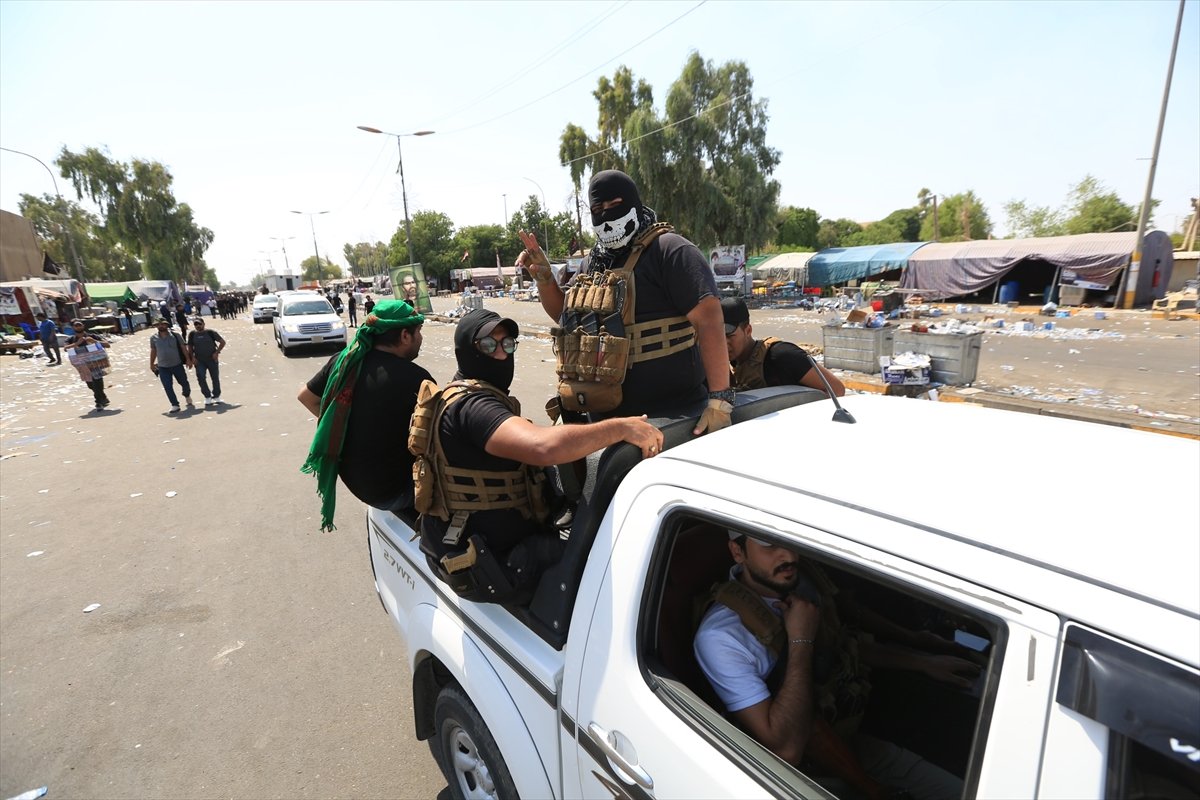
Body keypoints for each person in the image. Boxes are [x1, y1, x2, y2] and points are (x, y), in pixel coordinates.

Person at [694, 534, 972, 800]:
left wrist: (922, 660)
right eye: (770, 546)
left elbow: (843, 647)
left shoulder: (800, 582)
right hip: (811, 766)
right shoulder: (722, 637)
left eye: (791, 541)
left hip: (857, 716)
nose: (789, 555)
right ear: (737, 551)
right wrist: (801, 639)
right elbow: (785, 749)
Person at [416, 309, 663, 606]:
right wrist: (621, 428)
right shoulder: (473, 406)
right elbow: (543, 448)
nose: (501, 355)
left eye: (507, 344)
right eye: (488, 345)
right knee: (610, 574)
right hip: (490, 565)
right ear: (466, 351)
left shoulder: (464, 394)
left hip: (477, 544)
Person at [517, 169, 732, 435]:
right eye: (598, 208)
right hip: (606, 418)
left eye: (615, 205)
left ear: (634, 204)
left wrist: (720, 401)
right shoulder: (593, 262)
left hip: (675, 415)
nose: (606, 215)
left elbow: (710, 319)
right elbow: (566, 316)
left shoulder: (670, 250)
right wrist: (545, 278)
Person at [298, 299, 431, 531]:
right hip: (392, 493)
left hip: (355, 481)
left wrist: (343, 421)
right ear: (404, 336)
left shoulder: (344, 361)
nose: (420, 338)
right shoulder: (416, 378)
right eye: (418, 332)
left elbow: (306, 397)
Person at [721, 297, 846, 396]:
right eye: (718, 337)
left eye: (730, 336)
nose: (723, 343)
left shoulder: (781, 355)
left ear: (748, 331)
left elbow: (837, 390)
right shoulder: (732, 363)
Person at [63, 320, 112, 409]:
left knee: (97, 380)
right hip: (82, 365)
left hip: (96, 363)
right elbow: (65, 348)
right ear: (73, 328)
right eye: (76, 325)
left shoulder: (93, 336)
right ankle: (103, 398)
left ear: (83, 326)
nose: (78, 327)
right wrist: (77, 343)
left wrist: (94, 341)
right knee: (90, 384)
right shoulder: (70, 339)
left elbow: (107, 345)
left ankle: (98, 402)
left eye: (79, 325)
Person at [149, 318, 195, 413]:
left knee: (184, 383)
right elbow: (153, 351)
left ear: (166, 325)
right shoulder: (153, 338)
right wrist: (151, 363)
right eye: (158, 325)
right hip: (163, 367)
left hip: (177, 364)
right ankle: (175, 404)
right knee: (167, 386)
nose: (160, 326)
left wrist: (188, 359)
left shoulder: (176, 335)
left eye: (162, 324)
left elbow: (183, 348)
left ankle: (187, 395)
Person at [187, 317, 226, 406]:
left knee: (215, 378)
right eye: (196, 325)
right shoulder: (192, 334)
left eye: (199, 324)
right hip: (199, 360)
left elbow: (222, 342)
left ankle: (216, 396)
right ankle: (207, 396)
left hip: (212, 359)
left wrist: (217, 352)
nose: (198, 326)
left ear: (204, 324)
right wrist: (192, 357)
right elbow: (190, 346)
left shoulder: (211, 332)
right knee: (201, 378)